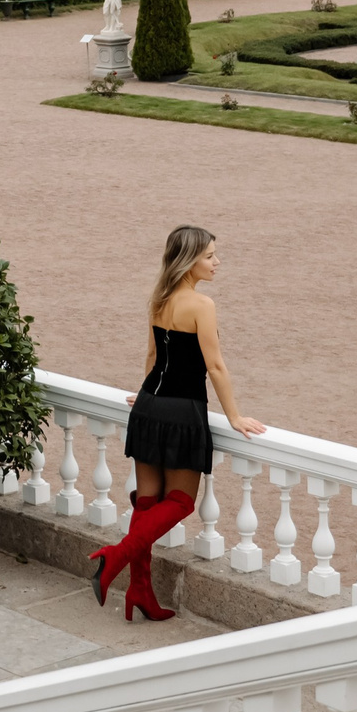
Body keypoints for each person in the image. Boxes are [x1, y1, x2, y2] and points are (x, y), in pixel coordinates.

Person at [89, 226, 267, 622]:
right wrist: (235, 416)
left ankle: (140, 592)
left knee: (148, 502)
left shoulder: (158, 299)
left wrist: (147, 394)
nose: (217, 262)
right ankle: (115, 556)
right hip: (183, 411)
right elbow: (215, 365)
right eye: (210, 256)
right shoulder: (202, 305)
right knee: (181, 502)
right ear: (189, 261)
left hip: (150, 406)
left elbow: (152, 356)